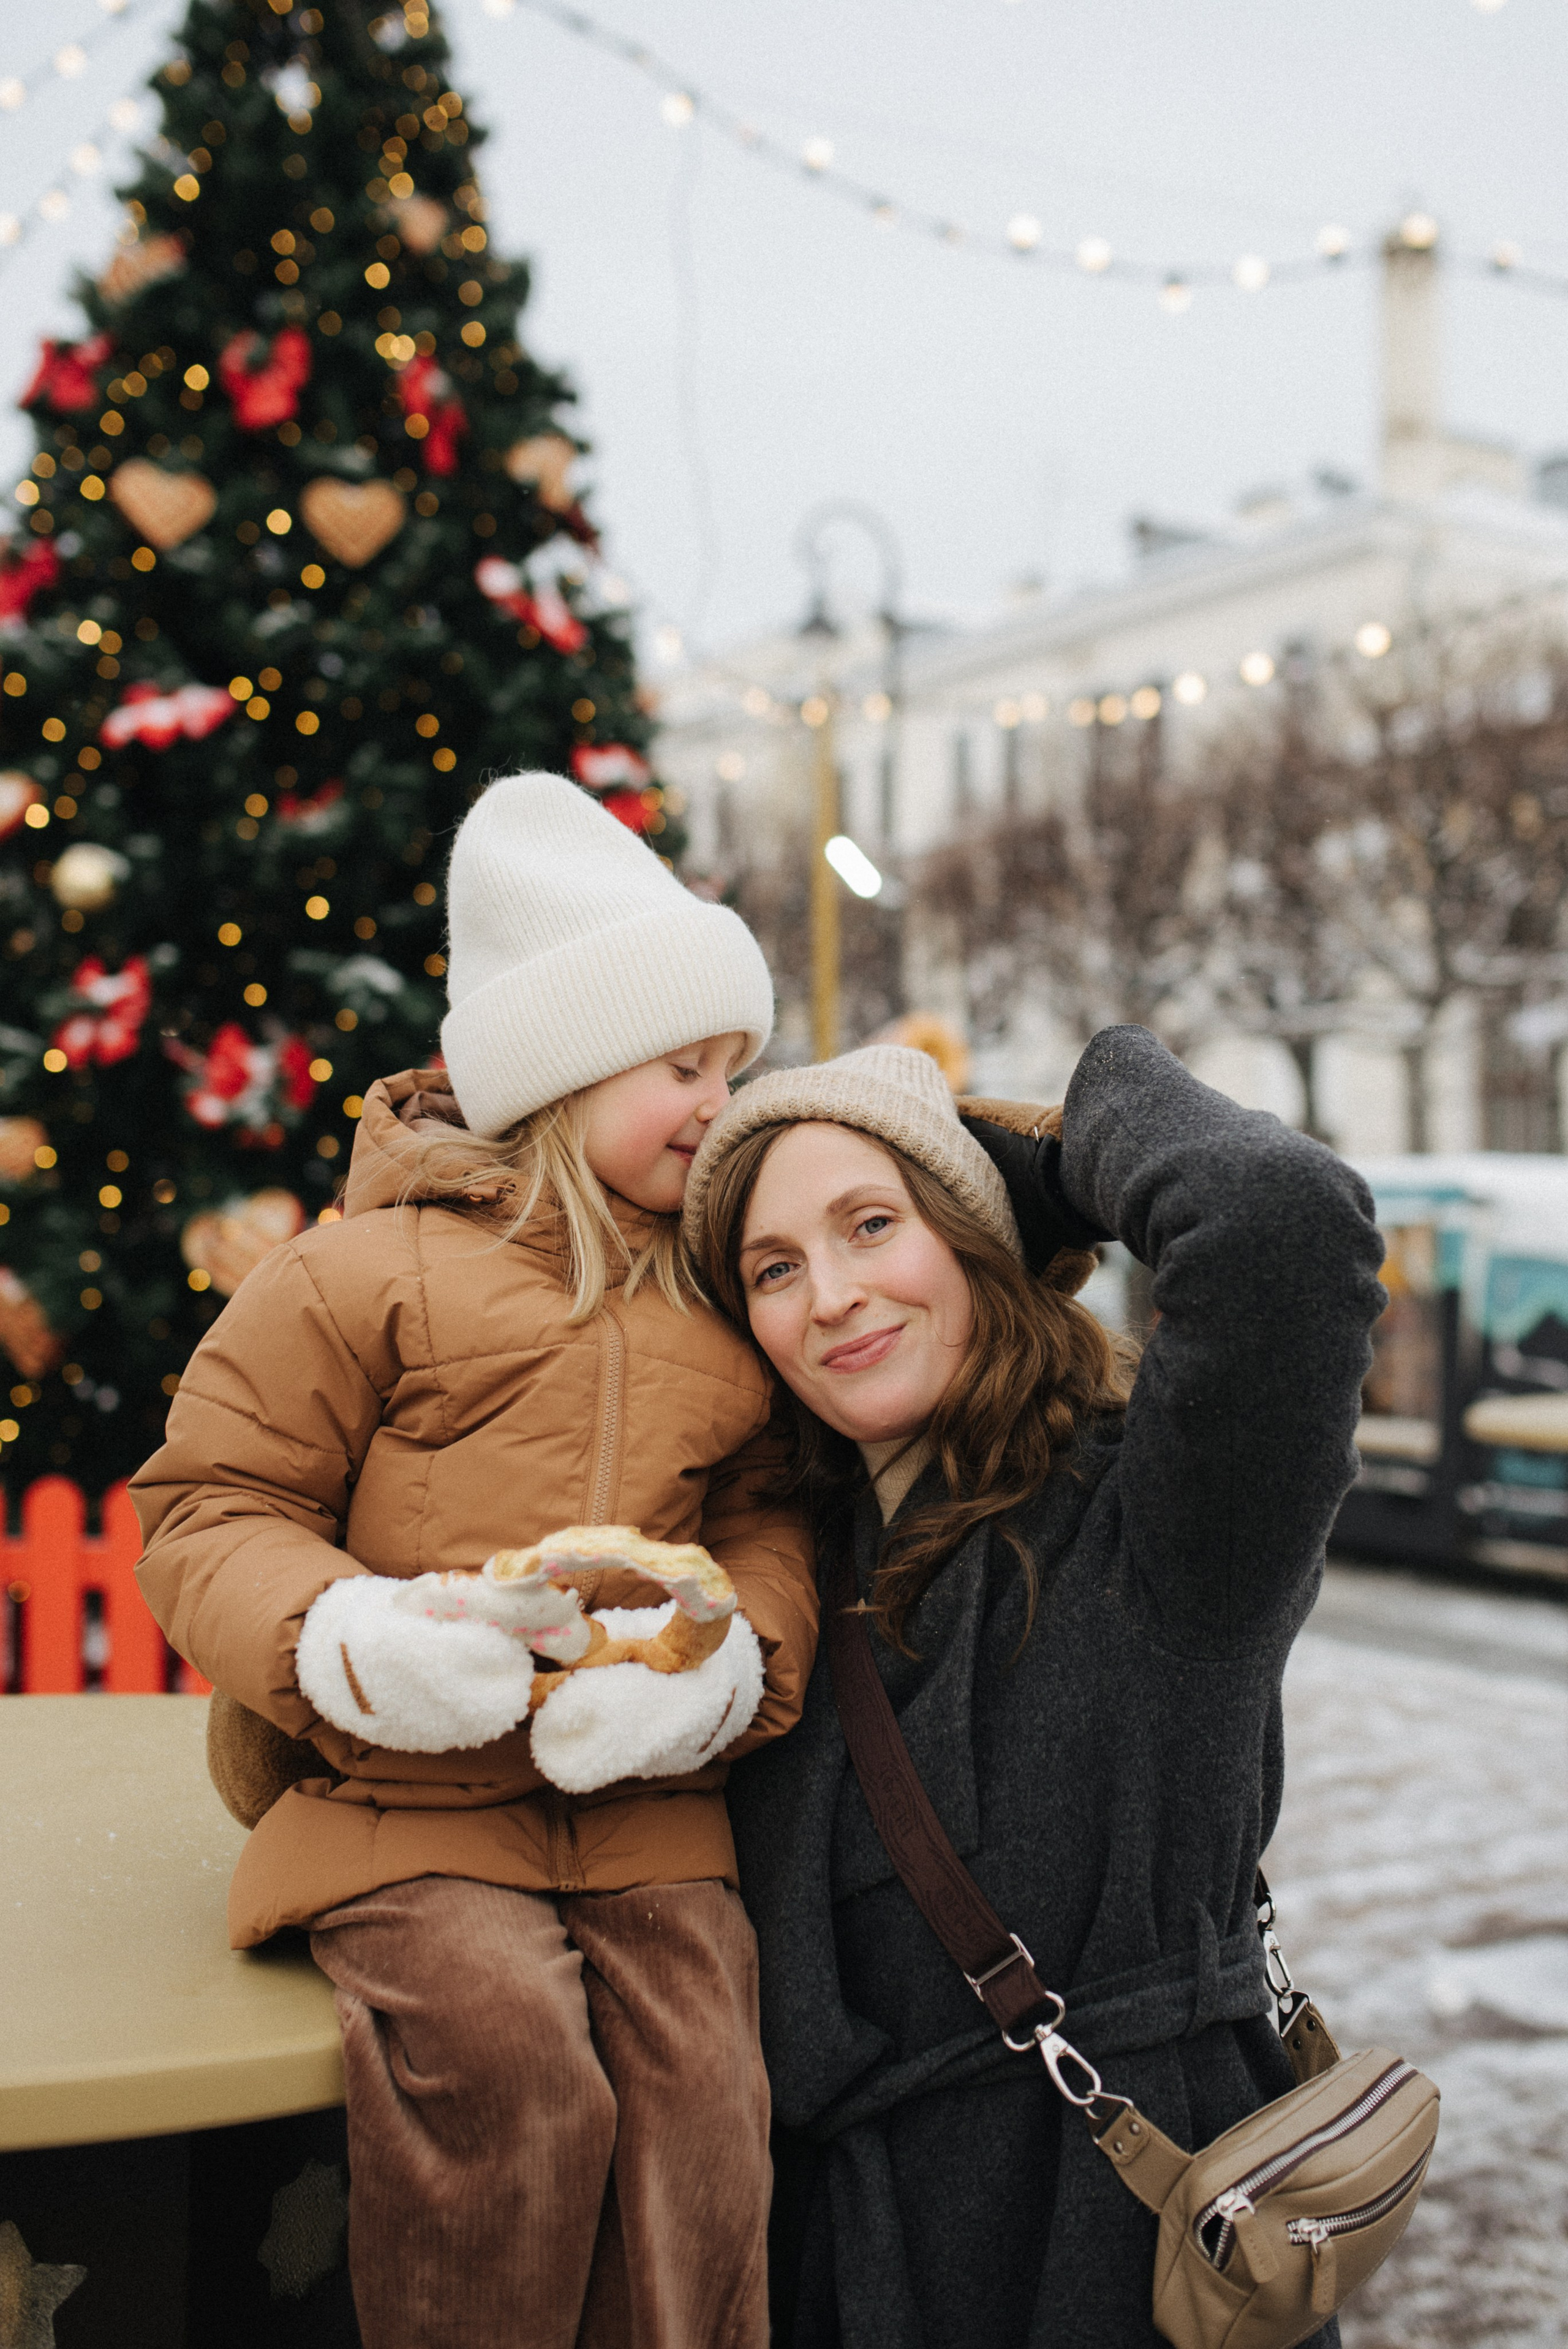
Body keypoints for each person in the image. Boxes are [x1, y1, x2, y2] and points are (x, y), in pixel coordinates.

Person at [131, 771, 817, 2349]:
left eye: (735, 1064)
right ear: (562, 1073)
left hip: (645, 1812)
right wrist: (341, 1638)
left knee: (706, 2104)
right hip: (401, 1806)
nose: (722, 1101)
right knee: (505, 2067)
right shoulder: (364, 1273)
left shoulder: (724, 1299)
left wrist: (723, 1675)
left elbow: (773, 1522)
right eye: (682, 1065)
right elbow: (212, 1499)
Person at [684, 1027, 1385, 2349]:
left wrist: (1043, 1168)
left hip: (1111, 2256)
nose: (827, 1295)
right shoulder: (764, 1574)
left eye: (872, 1223)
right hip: (832, 2272)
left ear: (969, 1238)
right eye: (773, 1268)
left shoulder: (1160, 1521)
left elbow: (1281, 1222)